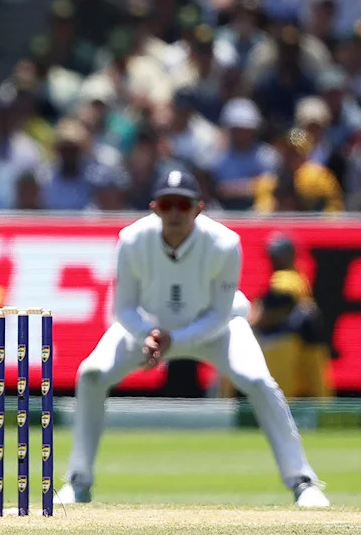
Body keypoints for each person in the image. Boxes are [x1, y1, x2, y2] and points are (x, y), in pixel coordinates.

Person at [58, 169, 330, 508]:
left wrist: (172, 339)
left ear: (199, 208)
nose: (174, 212)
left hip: (217, 329)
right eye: (167, 204)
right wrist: (148, 335)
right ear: (154, 208)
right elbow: (123, 308)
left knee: (259, 381)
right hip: (149, 329)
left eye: (183, 205)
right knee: (91, 374)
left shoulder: (224, 243)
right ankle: (79, 480)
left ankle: (302, 481)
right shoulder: (131, 239)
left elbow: (219, 314)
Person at [248, 234, 334, 398]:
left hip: (285, 341)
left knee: (282, 395)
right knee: (314, 393)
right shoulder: (298, 277)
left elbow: (280, 298)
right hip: (303, 343)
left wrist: (255, 318)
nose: (274, 260)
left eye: (277, 256)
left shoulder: (285, 277)